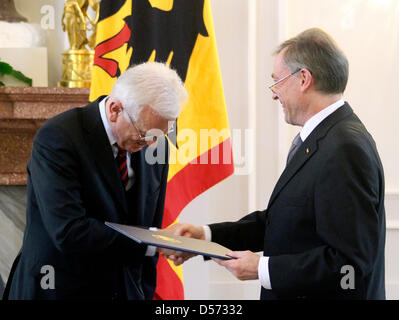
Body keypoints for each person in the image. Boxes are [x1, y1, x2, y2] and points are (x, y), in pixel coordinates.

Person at [164, 28, 386, 300]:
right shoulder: (324, 138)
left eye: (277, 82)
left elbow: (350, 265)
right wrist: (206, 237)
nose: (274, 94)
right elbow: (281, 222)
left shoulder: (344, 148)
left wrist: (263, 268)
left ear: (303, 78)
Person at [4, 62, 188, 300]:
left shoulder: (156, 144)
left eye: (159, 135)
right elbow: (69, 233)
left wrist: (144, 292)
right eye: (144, 134)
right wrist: (154, 241)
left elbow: (148, 228)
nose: (152, 144)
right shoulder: (58, 138)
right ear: (114, 109)